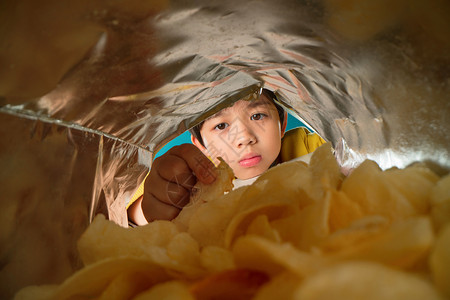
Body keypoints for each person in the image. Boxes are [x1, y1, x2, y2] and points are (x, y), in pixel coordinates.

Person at [127, 88, 325, 225]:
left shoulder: (310, 148)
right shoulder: (191, 181)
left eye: (257, 116)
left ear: (282, 125)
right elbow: (137, 210)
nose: (244, 138)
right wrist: (148, 209)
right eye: (221, 126)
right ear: (201, 146)